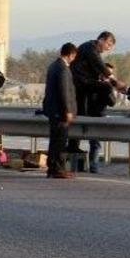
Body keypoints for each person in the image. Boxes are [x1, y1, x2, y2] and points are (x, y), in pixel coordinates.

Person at [68, 31, 117, 173]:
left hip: (83, 90)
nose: (108, 48)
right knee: (106, 86)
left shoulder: (89, 49)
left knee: (80, 117)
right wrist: (112, 81)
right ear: (101, 40)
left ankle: (74, 146)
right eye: (108, 44)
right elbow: (99, 64)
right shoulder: (90, 48)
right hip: (81, 84)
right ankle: (74, 147)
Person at [43, 43, 79, 179]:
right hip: (60, 111)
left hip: (53, 110)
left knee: (54, 140)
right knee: (60, 141)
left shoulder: (53, 66)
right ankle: (57, 168)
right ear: (71, 55)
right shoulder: (64, 69)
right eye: (74, 56)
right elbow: (64, 91)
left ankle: (52, 167)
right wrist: (68, 110)